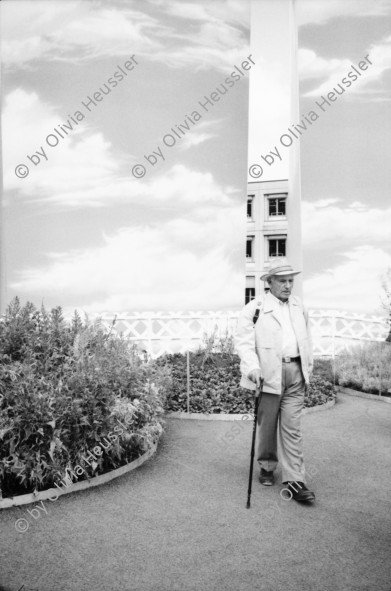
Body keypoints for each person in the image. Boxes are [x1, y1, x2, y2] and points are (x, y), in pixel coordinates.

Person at [235, 257, 315, 502]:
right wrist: (252, 368)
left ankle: (295, 481)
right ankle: (267, 466)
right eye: (283, 281)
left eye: (291, 281)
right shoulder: (255, 308)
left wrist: (307, 368)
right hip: (267, 374)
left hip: (295, 373)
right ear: (269, 282)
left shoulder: (299, 306)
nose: (288, 285)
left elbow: (306, 338)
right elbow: (244, 343)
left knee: (293, 429)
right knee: (267, 427)